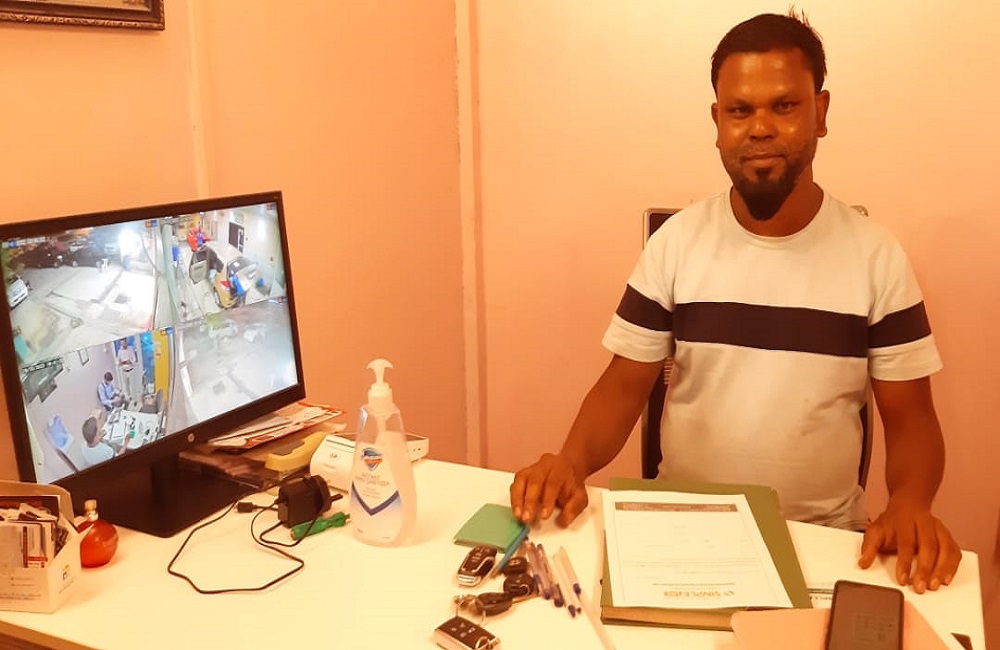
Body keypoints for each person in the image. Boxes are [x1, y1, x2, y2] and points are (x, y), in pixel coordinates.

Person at [509, 12, 961, 594]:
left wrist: (910, 502)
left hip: (821, 539)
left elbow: (912, 419)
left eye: (784, 106)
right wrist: (569, 462)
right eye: (740, 110)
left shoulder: (876, 258)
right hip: (681, 530)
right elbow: (622, 388)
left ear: (821, 113)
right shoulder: (676, 243)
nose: (760, 129)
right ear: (718, 121)